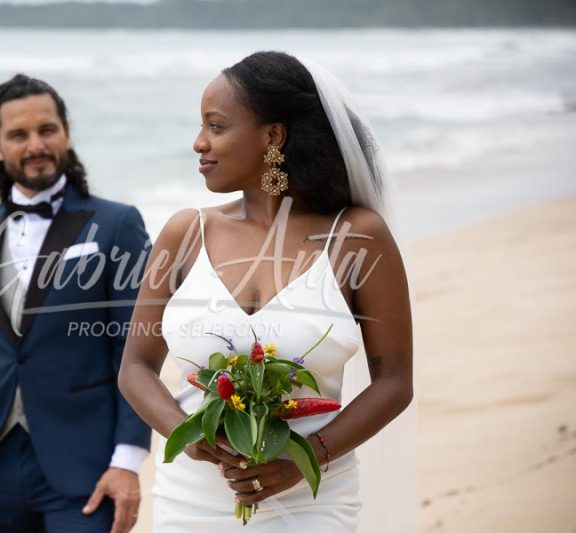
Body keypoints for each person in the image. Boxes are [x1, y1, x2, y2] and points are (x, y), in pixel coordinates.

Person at [118, 51, 416, 531]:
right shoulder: (185, 232)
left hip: (314, 501)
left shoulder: (356, 237)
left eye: (216, 126)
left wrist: (304, 458)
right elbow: (135, 369)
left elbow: (394, 382)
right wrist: (189, 437)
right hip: (192, 503)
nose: (199, 143)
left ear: (272, 136)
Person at [0, 74, 151, 533]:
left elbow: (137, 351)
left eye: (46, 130)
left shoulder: (116, 224)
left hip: (88, 466)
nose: (35, 145)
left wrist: (128, 460)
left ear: (67, 134)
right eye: (19, 135)